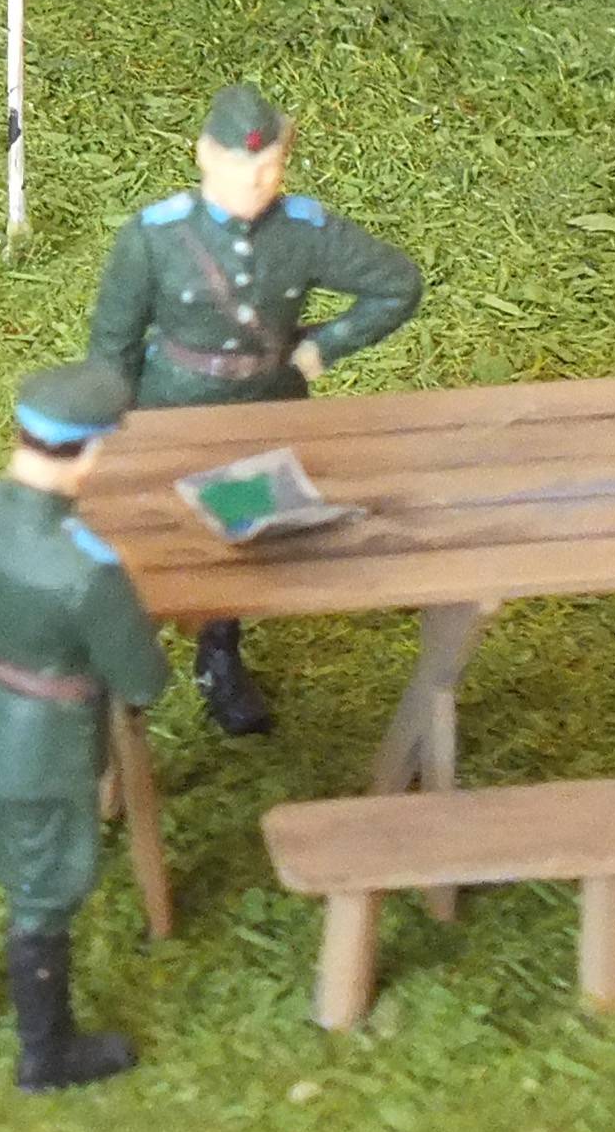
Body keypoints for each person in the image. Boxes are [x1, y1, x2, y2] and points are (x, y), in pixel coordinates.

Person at [86, 82, 421, 735]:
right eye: (241, 168)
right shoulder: (154, 238)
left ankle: (220, 650)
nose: (255, 183)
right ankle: (130, 647)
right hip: (170, 410)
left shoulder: (303, 232)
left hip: (265, 412)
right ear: (205, 156)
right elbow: (112, 344)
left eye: (269, 168)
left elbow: (397, 284)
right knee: (151, 527)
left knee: (241, 531)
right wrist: (109, 427)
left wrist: (321, 349)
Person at [0, 358, 169, 1090]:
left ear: (19, 433)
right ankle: (46, 1053)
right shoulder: (91, 568)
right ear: (94, 451)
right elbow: (143, 681)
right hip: (45, 753)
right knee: (42, 890)